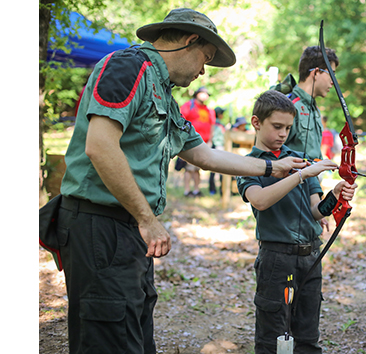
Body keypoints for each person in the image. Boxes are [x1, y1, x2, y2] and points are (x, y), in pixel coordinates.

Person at [47, 9, 306, 354]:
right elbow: (99, 145)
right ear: (189, 40)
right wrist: (147, 219)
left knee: (134, 335)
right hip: (100, 227)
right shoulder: (128, 67)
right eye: (205, 59)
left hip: (126, 232)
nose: (202, 71)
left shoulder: (164, 95)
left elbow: (203, 155)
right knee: (108, 338)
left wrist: (273, 168)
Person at [237, 90, 357, 353]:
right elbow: (260, 200)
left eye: (288, 128)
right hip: (276, 258)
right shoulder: (251, 164)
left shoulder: (299, 159)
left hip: (310, 256)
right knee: (273, 338)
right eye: (277, 126)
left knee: (307, 337)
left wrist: (335, 196)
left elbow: (316, 211)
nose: (283, 133)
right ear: (256, 122)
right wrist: (301, 175)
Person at [284, 46, 339, 161]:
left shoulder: (314, 109)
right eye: (331, 74)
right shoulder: (289, 106)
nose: (333, 81)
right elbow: (271, 156)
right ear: (316, 73)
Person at [180, 86, 216, 197]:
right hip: (190, 142)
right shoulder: (188, 106)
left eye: (207, 94)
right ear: (197, 94)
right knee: (189, 168)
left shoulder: (208, 110)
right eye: (203, 93)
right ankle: (187, 190)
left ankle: (196, 190)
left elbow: (212, 126)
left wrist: (210, 140)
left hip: (203, 143)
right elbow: (181, 120)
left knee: (197, 169)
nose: (205, 96)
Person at [208, 106, 226, 195]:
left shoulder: (213, 124)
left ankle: (212, 189)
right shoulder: (219, 125)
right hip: (219, 147)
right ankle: (221, 190)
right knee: (221, 170)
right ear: (219, 115)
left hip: (213, 148)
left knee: (213, 171)